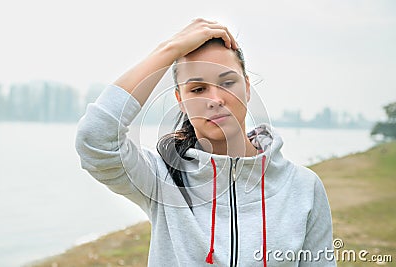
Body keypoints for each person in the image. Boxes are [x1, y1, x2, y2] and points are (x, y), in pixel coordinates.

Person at [76, 18, 336, 266]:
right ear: (180, 100)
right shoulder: (162, 180)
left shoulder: (303, 187)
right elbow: (95, 139)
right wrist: (170, 49)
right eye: (198, 89)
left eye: (227, 82)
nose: (215, 99)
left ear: (247, 88)